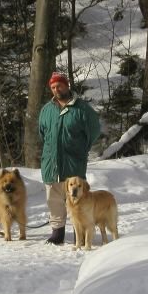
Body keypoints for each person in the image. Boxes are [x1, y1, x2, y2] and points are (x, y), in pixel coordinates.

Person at [39, 72, 101, 245]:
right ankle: (57, 232)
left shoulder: (82, 109)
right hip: (51, 163)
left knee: (77, 197)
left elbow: (94, 130)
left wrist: (82, 147)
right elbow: (42, 133)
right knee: (54, 199)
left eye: (59, 85)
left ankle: (78, 231)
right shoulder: (46, 110)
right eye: (52, 87)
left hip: (73, 162)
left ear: (67, 85)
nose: (56, 89)